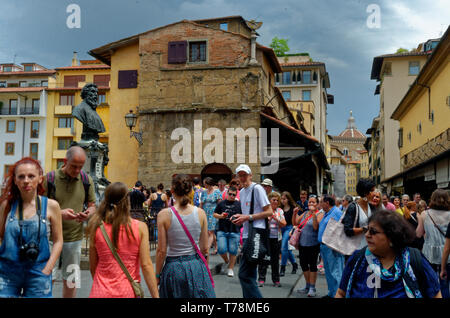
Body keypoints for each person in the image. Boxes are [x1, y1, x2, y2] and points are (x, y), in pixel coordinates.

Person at [336, 210, 442, 298]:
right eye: (367, 230)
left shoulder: (414, 259)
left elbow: (435, 294)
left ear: (392, 236)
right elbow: (341, 293)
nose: (367, 235)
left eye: (373, 231)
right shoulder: (357, 259)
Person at [0, 157, 63, 298]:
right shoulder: (7, 206)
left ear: (40, 179)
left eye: (31, 176)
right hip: (7, 273)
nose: (26, 180)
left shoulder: (51, 206)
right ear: (15, 180)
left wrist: (48, 268)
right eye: (21, 177)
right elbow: (1, 236)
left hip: (38, 271)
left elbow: (58, 241)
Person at [87, 182, 159, 298]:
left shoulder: (95, 226)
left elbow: (93, 266)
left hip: (100, 291)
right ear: (127, 201)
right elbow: (146, 265)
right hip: (126, 291)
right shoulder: (140, 228)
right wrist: (155, 295)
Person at [44, 146, 96, 298]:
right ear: (65, 161)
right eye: (74, 166)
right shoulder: (50, 178)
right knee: (48, 276)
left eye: (80, 167)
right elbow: (38, 206)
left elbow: (92, 205)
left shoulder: (86, 180)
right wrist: (59, 214)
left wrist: (87, 214)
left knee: (72, 279)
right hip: (50, 238)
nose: (77, 170)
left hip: (74, 237)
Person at [155, 174, 215, 298]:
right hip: (196, 265)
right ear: (190, 191)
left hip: (173, 268)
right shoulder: (200, 213)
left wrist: (157, 275)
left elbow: (161, 251)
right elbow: (204, 248)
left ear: (172, 191)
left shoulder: (164, 214)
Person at [231, 164, 272, 298]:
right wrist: (239, 217)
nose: (242, 178)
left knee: (244, 274)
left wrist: (247, 217)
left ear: (250, 175)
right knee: (250, 275)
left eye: (244, 175)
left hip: (257, 234)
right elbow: (246, 214)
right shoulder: (242, 192)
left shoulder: (258, 188)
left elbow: (269, 211)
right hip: (248, 234)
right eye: (240, 175)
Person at [416, 189, 450, 298]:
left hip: (429, 254)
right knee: (445, 283)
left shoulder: (425, 214)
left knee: (430, 283)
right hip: (448, 254)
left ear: (433, 199)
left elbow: (418, 234)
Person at [294, 195, 322, 297]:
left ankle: (312, 287)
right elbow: (296, 222)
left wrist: (314, 214)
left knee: (312, 265)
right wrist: (294, 214)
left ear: (317, 204)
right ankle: (307, 285)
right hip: (302, 243)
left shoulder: (320, 214)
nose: (311, 204)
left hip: (313, 244)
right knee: (303, 264)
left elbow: (315, 228)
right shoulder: (305, 213)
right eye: (309, 202)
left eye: (313, 202)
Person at [318, 195, 345, 298]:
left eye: (321, 202)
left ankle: (338, 295)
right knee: (329, 272)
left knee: (336, 272)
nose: (320, 204)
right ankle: (331, 293)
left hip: (332, 247)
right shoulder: (327, 213)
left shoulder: (337, 212)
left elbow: (342, 228)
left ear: (327, 203)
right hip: (325, 246)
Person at [258, 191, 285, 287]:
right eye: (274, 200)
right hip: (266, 237)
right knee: (263, 258)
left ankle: (276, 280)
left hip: (276, 238)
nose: (276, 202)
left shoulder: (279, 211)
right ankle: (261, 279)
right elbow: (261, 223)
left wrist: (276, 218)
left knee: (275, 260)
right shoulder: (265, 210)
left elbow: (283, 224)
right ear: (269, 201)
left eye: (277, 200)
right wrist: (268, 220)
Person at [213, 186, 242, 278]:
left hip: (235, 230)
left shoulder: (238, 204)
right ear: (227, 194)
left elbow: (243, 215)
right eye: (230, 194)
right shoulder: (221, 203)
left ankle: (230, 268)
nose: (232, 196)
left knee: (233, 251)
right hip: (222, 229)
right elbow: (214, 214)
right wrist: (221, 216)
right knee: (221, 249)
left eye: (234, 194)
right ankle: (226, 261)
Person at [342, 178, 376, 253]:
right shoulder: (353, 207)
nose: (375, 193)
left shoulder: (371, 206)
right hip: (356, 249)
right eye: (372, 190)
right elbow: (347, 230)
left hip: (369, 247)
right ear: (365, 193)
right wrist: (365, 229)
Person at [200, 177, 222, 260]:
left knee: (210, 232)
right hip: (205, 213)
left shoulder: (217, 192)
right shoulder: (203, 192)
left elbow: (220, 204)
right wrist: (199, 213)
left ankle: (206, 250)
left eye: (205, 183)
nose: (204, 185)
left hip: (213, 214)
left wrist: (219, 215)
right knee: (209, 232)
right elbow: (201, 204)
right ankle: (216, 247)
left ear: (209, 183)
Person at [280, 191, 299, 276]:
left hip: (289, 228)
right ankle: (294, 264)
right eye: (282, 199)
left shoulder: (292, 208)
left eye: (284, 199)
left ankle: (282, 267)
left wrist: (293, 229)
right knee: (287, 249)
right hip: (281, 228)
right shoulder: (280, 208)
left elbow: (295, 221)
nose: (282, 200)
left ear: (288, 199)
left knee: (283, 247)